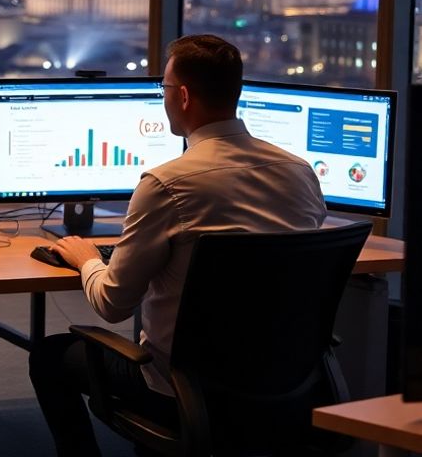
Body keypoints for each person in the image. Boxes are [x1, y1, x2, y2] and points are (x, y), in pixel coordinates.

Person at [29, 34, 327, 457]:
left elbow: (113, 305)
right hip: (285, 388)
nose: (163, 98)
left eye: (164, 89)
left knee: (49, 355)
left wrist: (88, 260)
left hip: (184, 393)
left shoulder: (167, 184)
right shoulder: (300, 173)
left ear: (183, 96)